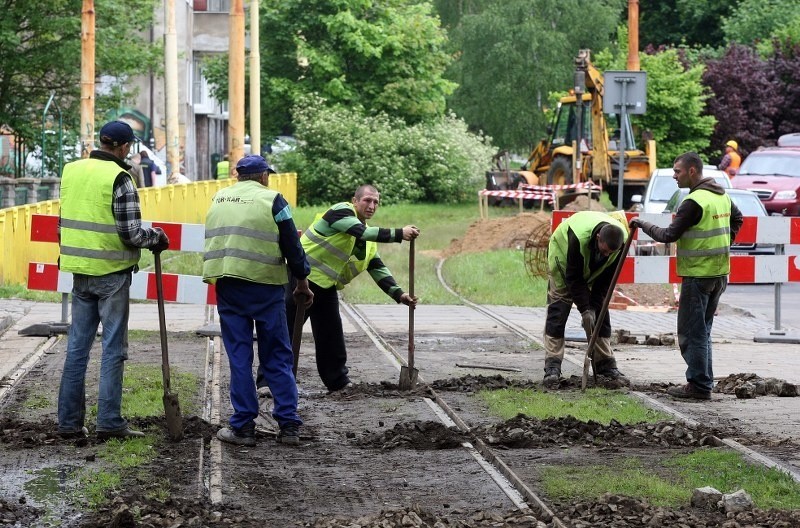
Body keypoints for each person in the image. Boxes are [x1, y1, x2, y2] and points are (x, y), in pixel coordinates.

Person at [57, 120, 170, 440]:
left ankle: (68, 423)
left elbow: (64, 221)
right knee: (113, 349)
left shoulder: (72, 171)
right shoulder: (121, 177)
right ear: (123, 147)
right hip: (111, 276)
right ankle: (109, 421)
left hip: (80, 273)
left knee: (77, 348)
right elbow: (131, 233)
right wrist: (156, 237)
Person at [258, 184, 419, 393]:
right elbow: (363, 231)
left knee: (331, 334)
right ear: (355, 201)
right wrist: (400, 233)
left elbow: (378, 268)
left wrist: (400, 294)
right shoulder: (341, 211)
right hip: (300, 278)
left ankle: (337, 382)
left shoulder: (368, 242)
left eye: (376, 202)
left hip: (325, 286)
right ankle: (266, 382)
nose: (371, 205)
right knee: (284, 330)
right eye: (367, 200)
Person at [203, 154, 313, 447]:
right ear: (264, 176)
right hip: (265, 287)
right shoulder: (274, 200)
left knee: (239, 356)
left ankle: (242, 427)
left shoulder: (219, 198)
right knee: (277, 354)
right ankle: (289, 426)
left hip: (229, 285)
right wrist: (302, 280)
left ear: (238, 176)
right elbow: (292, 243)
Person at [630, 152, 743, 400]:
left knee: (692, 333)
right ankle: (704, 382)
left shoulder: (694, 202)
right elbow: (738, 218)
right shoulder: (720, 195)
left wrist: (642, 224)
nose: (674, 175)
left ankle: (699, 386)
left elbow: (668, 235)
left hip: (697, 275)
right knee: (703, 330)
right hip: (719, 274)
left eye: (677, 171)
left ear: (692, 171)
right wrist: (726, 243)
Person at [542, 210, 629, 388]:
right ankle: (552, 367)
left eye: (610, 253)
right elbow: (574, 278)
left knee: (601, 313)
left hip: (592, 265)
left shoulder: (620, 243)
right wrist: (584, 309)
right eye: (604, 251)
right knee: (558, 312)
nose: (606, 255)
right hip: (564, 261)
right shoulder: (577, 238)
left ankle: (605, 365)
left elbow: (605, 282)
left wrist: (594, 309)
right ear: (598, 237)